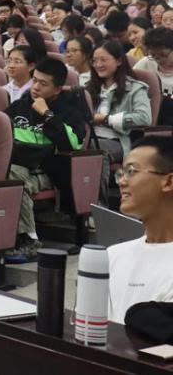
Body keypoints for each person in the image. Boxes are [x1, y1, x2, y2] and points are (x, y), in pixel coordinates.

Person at [3, 58, 90, 263]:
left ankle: (30, 240)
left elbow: (72, 146)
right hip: (18, 163)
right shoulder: (21, 104)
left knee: (14, 177)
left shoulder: (69, 111)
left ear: (58, 89)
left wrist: (48, 114)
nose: (36, 87)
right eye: (34, 80)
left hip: (49, 171)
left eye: (43, 84)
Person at [108, 136, 173, 326]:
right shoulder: (112, 255)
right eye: (121, 173)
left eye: (131, 172)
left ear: (168, 182)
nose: (122, 182)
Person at [88, 40, 152, 199]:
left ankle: (98, 204)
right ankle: (71, 204)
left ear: (118, 61)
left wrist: (106, 119)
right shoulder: (89, 88)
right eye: (95, 61)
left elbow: (144, 118)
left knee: (96, 150)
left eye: (103, 60)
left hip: (117, 139)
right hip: (88, 137)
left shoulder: (135, 88)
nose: (98, 64)